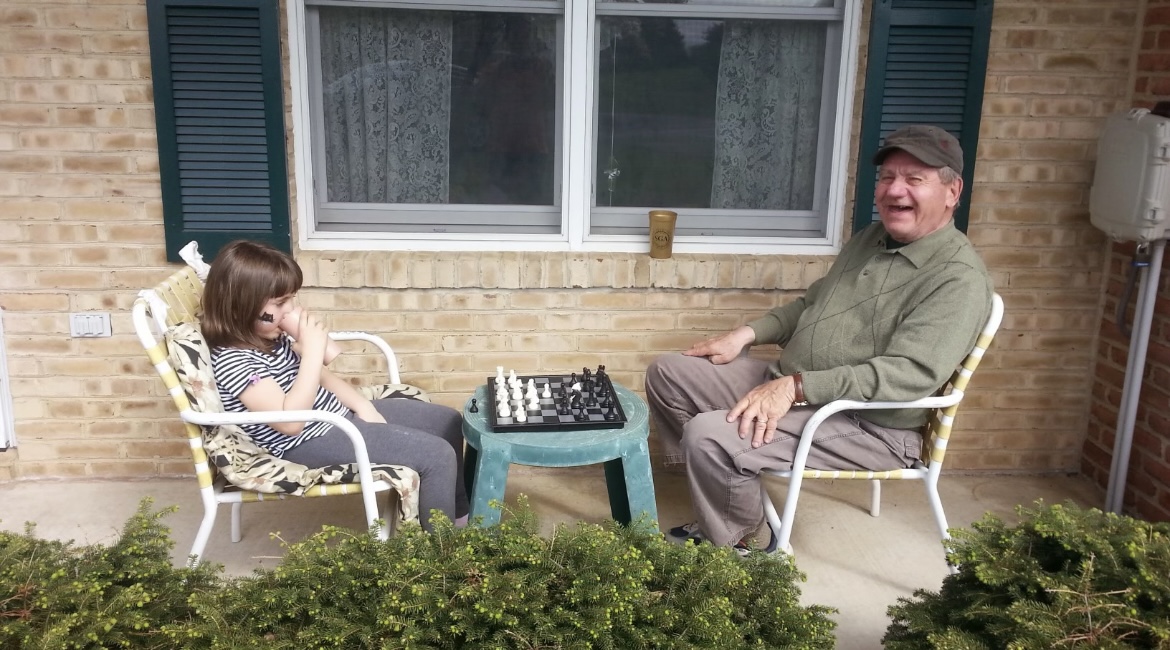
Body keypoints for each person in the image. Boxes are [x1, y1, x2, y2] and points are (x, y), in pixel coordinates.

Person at [646, 125, 994, 554]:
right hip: (797, 386)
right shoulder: (871, 239)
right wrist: (746, 334)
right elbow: (813, 303)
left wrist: (794, 388)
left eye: (914, 179)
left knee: (707, 434)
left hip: (866, 425)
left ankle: (746, 540)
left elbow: (910, 375)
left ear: (952, 191)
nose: (893, 190)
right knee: (668, 373)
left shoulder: (957, 278)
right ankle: (722, 490)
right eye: (887, 177)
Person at [200, 240, 469, 532]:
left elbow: (322, 378)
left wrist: (363, 406)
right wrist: (312, 353)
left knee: (448, 421)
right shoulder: (235, 362)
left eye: (291, 299)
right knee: (436, 455)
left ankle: (460, 518)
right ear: (240, 308)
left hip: (337, 418)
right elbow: (291, 423)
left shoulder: (270, 338)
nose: (291, 310)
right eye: (279, 303)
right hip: (304, 442)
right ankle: (442, 546)